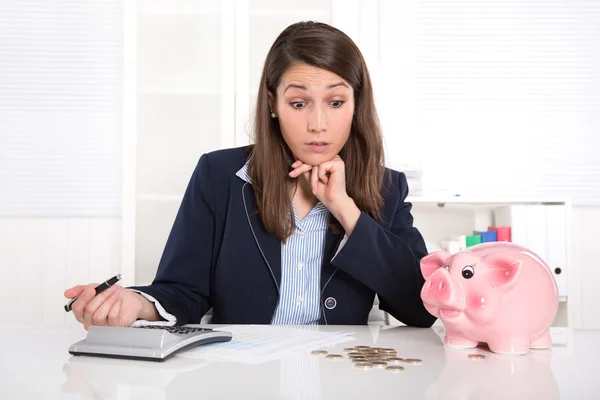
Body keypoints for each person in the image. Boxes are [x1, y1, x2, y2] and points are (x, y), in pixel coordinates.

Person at [64, 21, 437, 330]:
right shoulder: (219, 174)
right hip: (241, 374)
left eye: (336, 102)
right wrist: (135, 303)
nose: (318, 124)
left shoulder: (386, 186)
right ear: (273, 104)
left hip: (340, 375)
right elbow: (183, 290)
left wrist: (345, 208)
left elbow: (421, 308)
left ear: (356, 106)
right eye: (298, 103)